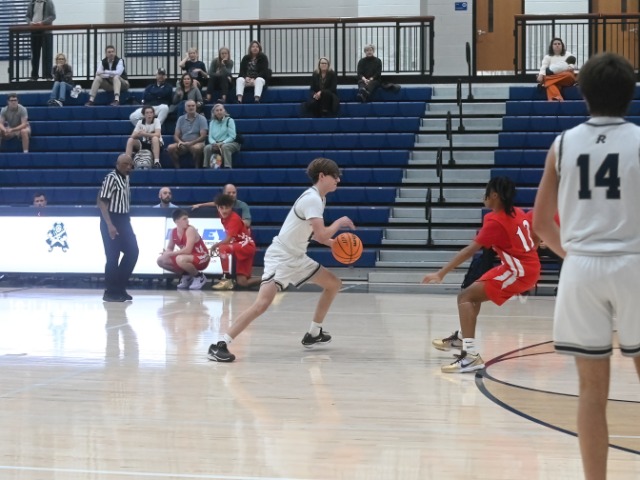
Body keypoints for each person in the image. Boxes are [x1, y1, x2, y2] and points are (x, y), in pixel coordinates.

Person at [533, 52, 640, 480]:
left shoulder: (563, 144)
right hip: (633, 264)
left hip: (581, 270)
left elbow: (541, 222)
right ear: (631, 93)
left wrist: (574, 256)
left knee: (591, 394)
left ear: (583, 93)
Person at [207, 157, 355, 363]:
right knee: (262, 304)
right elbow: (321, 234)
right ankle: (219, 345)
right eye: (335, 176)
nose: (338, 180)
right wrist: (339, 223)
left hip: (296, 256)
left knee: (333, 284)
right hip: (282, 257)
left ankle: (314, 332)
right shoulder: (312, 199)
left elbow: (312, 233)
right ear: (322, 176)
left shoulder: (318, 199)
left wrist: (333, 244)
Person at [422, 177, 541, 373]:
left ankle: (470, 357)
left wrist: (440, 273)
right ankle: (462, 338)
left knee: (465, 297)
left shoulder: (495, 221)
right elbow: (535, 235)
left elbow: (470, 251)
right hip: (521, 266)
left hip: (519, 272)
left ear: (494, 195)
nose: (483, 196)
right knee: (471, 294)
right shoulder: (517, 211)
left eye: (486, 192)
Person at [97, 154, 139, 303]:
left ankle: (119, 287)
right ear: (118, 164)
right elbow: (102, 202)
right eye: (126, 164)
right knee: (112, 257)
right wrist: (109, 224)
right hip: (111, 219)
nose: (129, 167)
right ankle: (110, 292)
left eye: (130, 164)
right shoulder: (111, 178)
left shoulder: (126, 177)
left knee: (133, 252)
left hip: (124, 219)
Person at [209, 193, 261, 291]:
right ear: (218, 207)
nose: (224, 211)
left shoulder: (234, 219)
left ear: (231, 207)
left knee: (223, 248)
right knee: (242, 282)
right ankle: (272, 280)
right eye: (222, 208)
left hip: (246, 245)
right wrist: (200, 205)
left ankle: (226, 279)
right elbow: (215, 203)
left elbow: (227, 240)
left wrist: (214, 246)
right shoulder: (222, 213)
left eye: (227, 208)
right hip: (241, 246)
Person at [157, 209, 209, 290]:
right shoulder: (173, 231)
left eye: (187, 218)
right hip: (188, 257)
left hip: (202, 257)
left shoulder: (190, 229)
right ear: (176, 221)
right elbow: (170, 248)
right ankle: (187, 275)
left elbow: (188, 250)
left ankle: (199, 277)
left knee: (180, 259)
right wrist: (166, 253)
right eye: (184, 219)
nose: (187, 221)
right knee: (161, 260)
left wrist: (170, 253)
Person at [167, 100, 208, 169]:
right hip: (183, 143)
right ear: (185, 108)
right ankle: (177, 168)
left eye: (193, 106)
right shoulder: (180, 119)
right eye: (189, 106)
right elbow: (176, 135)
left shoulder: (202, 118)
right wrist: (180, 142)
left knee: (196, 148)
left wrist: (191, 143)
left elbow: (203, 136)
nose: (191, 107)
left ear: (196, 107)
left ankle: (197, 168)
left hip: (197, 143)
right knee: (170, 148)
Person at [536, 38, 577, 102]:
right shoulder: (547, 57)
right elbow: (543, 67)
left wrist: (570, 67)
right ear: (552, 46)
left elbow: (573, 65)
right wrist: (541, 75)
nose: (557, 45)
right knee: (550, 84)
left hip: (567, 79)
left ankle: (545, 80)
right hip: (555, 80)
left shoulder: (568, 54)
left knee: (568, 74)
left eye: (559, 44)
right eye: (555, 44)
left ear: (562, 45)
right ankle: (556, 98)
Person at [202, 103, 241, 169]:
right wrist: (214, 143)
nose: (219, 112)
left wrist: (222, 143)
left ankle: (227, 167)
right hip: (216, 143)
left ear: (224, 111)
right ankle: (206, 168)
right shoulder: (212, 122)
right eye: (217, 110)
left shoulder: (230, 120)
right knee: (207, 148)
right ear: (214, 112)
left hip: (231, 142)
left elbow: (232, 136)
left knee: (225, 147)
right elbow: (210, 137)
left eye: (221, 110)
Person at [26, 0, 56, 81]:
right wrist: (30, 23)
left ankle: (48, 76)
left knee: (47, 54)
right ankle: (34, 76)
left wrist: (42, 23)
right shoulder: (32, 3)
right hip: (34, 31)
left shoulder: (49, 2)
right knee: (35, 54)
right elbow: (27, 16)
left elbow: (53, 16)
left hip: (46, 31)